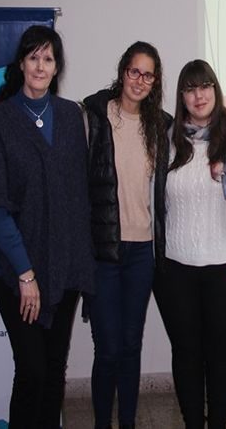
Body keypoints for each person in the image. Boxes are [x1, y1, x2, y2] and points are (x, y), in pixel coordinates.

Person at [0, 25, 94, 429]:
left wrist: (81, 262)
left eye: (48, 59)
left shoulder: (70, 116)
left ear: (57, 67)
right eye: (33, 57)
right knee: (32, 370)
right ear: (21, 64)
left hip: (64, 266)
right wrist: (25, 274)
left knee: (54, 370)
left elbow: (77, 196)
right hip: (15, 269)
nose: (40, 66)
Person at [153, 59, 226, 429]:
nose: (198, 95)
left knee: (220, 351)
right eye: (190, 89)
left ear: (215, 91)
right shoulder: (167, 142)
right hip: (175, 269)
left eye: (205, 86)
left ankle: (218, 422)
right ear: (181, 96)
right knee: (186, 352)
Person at [82, 41, 171, 429]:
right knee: (107, 349)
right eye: (135, 71)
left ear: (155, 82)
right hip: (104, 252)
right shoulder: (95, 116)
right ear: (122, 72)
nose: (140, 81)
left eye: (148, 75)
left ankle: (128, 423)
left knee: (131, 346)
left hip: (141, 253)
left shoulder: (161, 126)